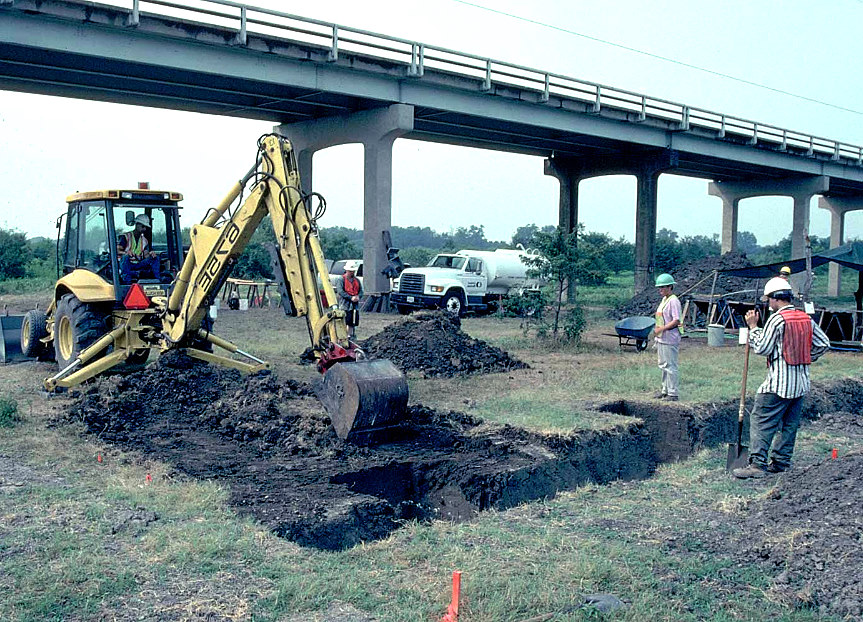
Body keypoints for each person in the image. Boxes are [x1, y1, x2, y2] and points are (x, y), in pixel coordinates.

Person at [732, 277, 830, 479]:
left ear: (776, 299)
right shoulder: (805, 318)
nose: (768, 303)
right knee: (789, 425)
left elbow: (762, 347)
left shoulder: (777, 320)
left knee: (760, 419)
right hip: (801, 384)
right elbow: (824, 343)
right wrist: (806, 357)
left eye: (769, 299)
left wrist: (753, 327)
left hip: (779, 383)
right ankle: (781, 462)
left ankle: (757, 465)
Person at [653, 273, 682, 402]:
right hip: (662, 337)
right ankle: (665, 390)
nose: (661, 290)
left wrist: (662, 329)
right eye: (659, 287)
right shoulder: (665, 299)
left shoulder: (674, 301)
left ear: (670, 287)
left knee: (670, 365)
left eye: (663, 287)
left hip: (670, 337)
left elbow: (676, 320)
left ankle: (673, 393)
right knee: (663, 365)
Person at [118, 214, 160, 283]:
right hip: (127, 264)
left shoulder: (144, 240)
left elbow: (145, 255)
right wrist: (126, 253)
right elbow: (117, 250)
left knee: (155, 258)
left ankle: (157, 280)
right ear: (137, 224)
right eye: (143, 226)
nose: (144, 229)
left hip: (138, 263)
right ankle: (127, 281)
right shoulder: (126, 237)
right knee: (125, 257)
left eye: (145, 227)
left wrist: (150, 254)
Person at [337, 260, 363, 338]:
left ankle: (350, 335)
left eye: (353, 271)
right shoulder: (341, 279)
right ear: (347, 270)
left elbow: (361, 291)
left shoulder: (357, 280)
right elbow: (340, 291)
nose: (352, 273)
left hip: (354, 306)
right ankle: (343, 336)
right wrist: (350, 298)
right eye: (351, 271)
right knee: (344, 321)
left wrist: (358, 296)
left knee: (353, 321)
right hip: (344, 305)